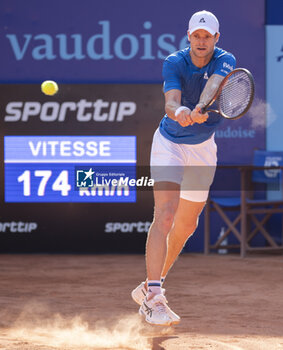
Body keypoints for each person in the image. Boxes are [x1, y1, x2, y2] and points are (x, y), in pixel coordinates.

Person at [132, 10, 236, 326]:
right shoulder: (174, 61)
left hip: (203, 150)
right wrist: (180, 111)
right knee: (165, 214)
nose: (201, 41)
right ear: (188, 36)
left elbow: (215, 84)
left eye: (207, 36)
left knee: (187, 225)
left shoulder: (225, 59)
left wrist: (202, 107)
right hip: (170, 144)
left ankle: (149, 285)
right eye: (196, 35)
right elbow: (170, 102)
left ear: (216, 38)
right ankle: (154, 297)